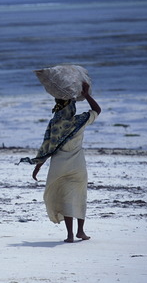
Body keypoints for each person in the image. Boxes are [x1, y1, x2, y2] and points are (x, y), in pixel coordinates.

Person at [32, 82, 101, 242]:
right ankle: (81, 232)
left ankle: (70, 234)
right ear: (72, 108)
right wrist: (87, 94)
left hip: (58, 167)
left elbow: (45, 148)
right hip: (77, 166)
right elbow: (97, 110)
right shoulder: (79, 121)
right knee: (79, 196)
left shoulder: (54, 124)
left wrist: (37, 167)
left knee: (65, 199)